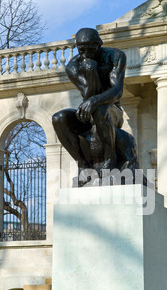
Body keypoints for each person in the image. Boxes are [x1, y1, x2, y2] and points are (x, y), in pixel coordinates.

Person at [52, 27, 139, 186]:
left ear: (99, 44)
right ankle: (83, 164)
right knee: (59, 118)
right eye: (81, 49)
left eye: (90, 48)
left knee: (99, 108)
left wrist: (94, 101)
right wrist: (90, 70)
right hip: (88, 111)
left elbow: (117, 91)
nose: (85, 53)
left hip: (112, 111)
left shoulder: (116, 56)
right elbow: (88, 93)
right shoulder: (73, 66)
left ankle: (109, 159)